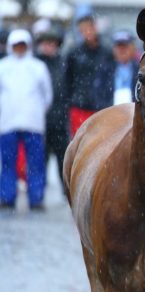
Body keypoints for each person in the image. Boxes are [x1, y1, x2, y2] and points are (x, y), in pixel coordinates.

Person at [0, 29, 52, 210]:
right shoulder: (2, 66)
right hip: (8, 122)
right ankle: (7, 196)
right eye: (16, 45)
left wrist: (37, 111)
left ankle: (36, 198)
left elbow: (47, 95)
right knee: (7, 162)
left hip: (33, 122)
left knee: (36, 163)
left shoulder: (38, 67)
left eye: (22, 45)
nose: (19, 48)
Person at [64, 13, 113, 138]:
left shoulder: (106, 53)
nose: (87, 33)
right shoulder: (74, 54)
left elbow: (111, 78)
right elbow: (67, 80)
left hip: (102, 108)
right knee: (80, 144)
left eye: (89, 28)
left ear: (95, 27)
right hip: (79, 107)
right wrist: (71, 100)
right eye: (83, 30)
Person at [35, 28, 69, 185]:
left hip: (60, 117)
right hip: (39, 119)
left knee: (63, 157)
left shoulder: (64, 63)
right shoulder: (34, 64)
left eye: (52, 43)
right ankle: (38, 190)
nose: (49, 46)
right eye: (46, 43)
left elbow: (69, 86)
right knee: (39, 158)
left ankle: (66, 190)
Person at [110, 30, 139, 105]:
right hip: (110, 112)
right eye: (119, 47)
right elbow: (99, 95)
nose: (122, 50)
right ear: (113, 49)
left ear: (133, 48)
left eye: (125, 47)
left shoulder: (140, 69)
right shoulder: (105, 70)